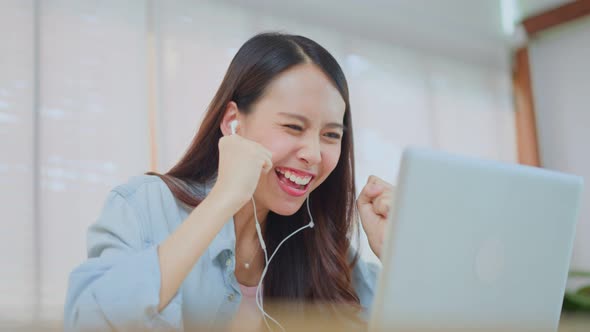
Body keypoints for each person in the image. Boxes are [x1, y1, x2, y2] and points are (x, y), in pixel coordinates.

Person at [64, 32, 394, 331]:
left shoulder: (322, 246)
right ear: (233, 122)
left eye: (331, 135)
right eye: (293, 127)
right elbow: (89, 321)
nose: (314, 154)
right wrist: (223, 200)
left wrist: (396, 255)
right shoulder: (144, 206)